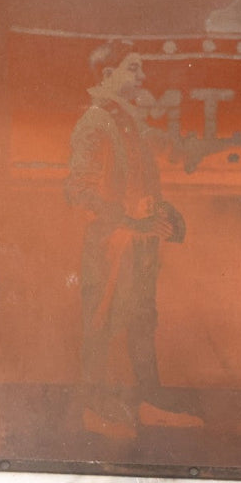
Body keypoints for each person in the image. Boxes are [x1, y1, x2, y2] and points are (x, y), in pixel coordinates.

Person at [65, 42, 201, 440]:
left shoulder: (127, 123)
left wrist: (163, 211)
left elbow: (141, 183)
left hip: (137, 245)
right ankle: (95, 410)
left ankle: (149, 403)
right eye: (134, 69)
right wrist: (130, 222)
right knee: (101, 323)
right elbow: (80, 192)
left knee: (142, 320)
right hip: (109, 246)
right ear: (109, 74)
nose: (143, 77)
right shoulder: (94, 123)